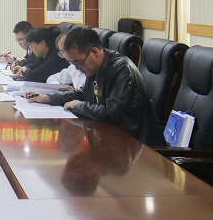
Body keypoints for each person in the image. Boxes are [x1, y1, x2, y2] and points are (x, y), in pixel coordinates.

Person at [26, 26, 165, 146]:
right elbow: (82, 93)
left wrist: (78, 105)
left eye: (78, 63)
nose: (77, 68)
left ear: (94, 52)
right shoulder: (95, 66)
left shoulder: (122, 69)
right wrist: (48, 98)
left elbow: (111, 113)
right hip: (111, 137)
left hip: (137, 145)